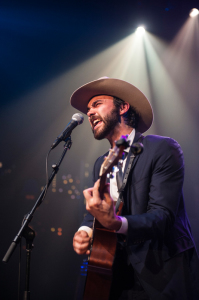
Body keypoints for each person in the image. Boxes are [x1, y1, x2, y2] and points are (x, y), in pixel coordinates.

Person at [71, 77, 199, 300]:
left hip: (162, 273)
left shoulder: (162, 148)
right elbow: (96, 213)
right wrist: (86, 231)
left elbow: (163, 216)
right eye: (88, 108)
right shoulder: (100, 163)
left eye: (97, 103)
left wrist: (116, 223)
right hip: (116, 273)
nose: (89, 112)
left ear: (123, 106)